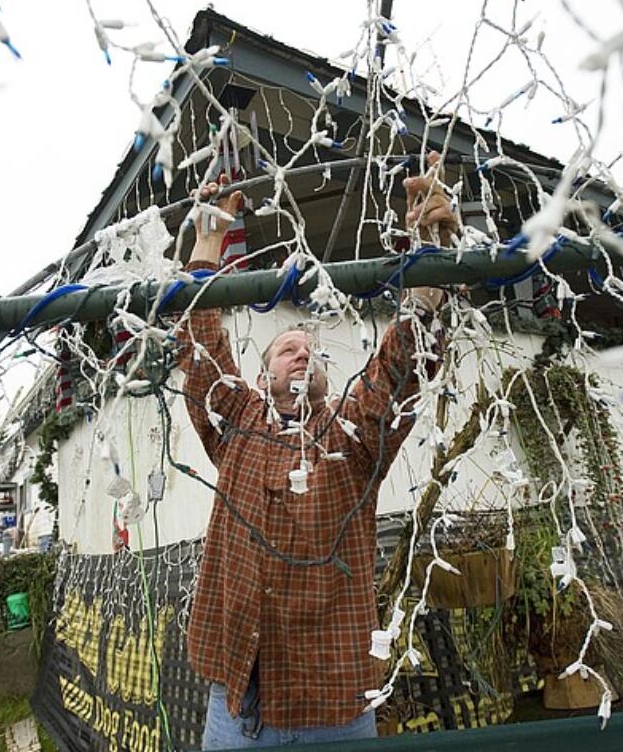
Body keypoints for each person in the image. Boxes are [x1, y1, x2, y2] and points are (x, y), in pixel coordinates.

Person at [176, 155, 458, 749]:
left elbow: (398, 374)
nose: (303, 354)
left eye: (313, 350)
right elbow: (202, 361)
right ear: (260, 375)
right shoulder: (238, 427)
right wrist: (206, 249)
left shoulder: (352, 441)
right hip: (238, 705)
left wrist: (429, 277)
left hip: (334, 707)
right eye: (287, 349)